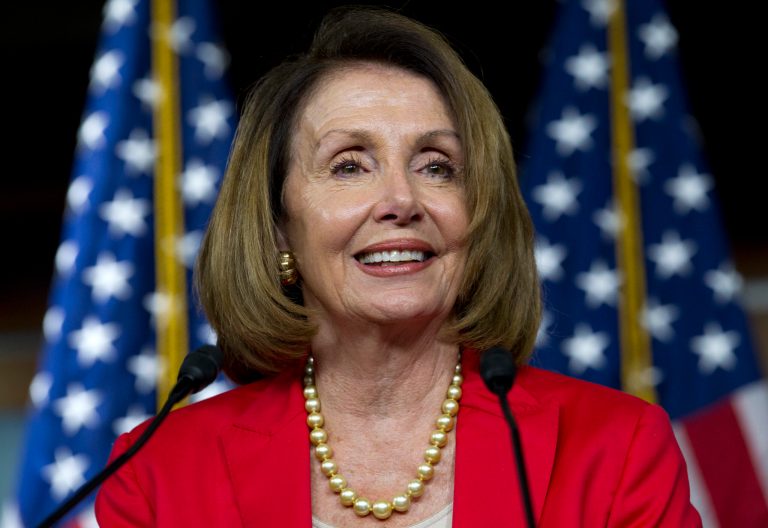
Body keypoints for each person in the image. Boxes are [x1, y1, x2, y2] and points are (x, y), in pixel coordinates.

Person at [95, 6, 702, 527]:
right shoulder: (157, 474)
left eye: (437, 166)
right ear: (279, 223)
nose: (401, 201)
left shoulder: (615, 448)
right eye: (349, 165)